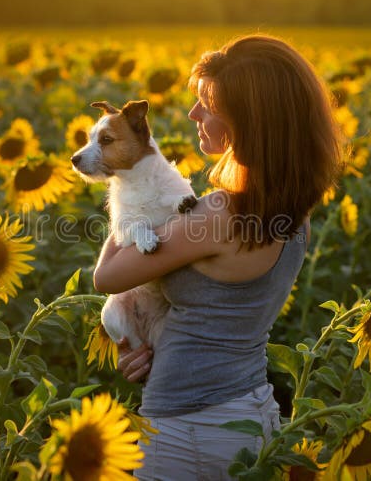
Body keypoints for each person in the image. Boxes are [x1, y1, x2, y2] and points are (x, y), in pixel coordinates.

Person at [92, 34, 344, 480]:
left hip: (188, 428)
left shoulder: (220, 215)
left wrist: (127, 193)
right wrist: (151, 346)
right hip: (251, 414)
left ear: (248, 121)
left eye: (207, 105)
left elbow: (109, 276)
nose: (194, 114)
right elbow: (219, 316)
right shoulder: (295, 212)